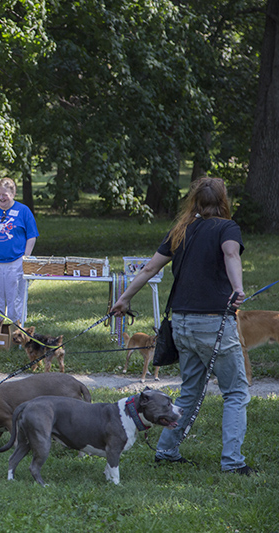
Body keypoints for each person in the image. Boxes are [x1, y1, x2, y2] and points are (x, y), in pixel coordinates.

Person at [109, 177, 254, 475]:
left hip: (182, 324)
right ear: (223, 200)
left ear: (195, 200)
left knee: (190, 390)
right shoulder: (227, 228)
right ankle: (233, 463)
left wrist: (123, 299)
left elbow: (150, 267)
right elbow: (230, 253)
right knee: (236, 392)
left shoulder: (181, 230)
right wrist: (238, 288)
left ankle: (166, 450)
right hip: (214, 322)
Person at [0, 177, 38, 325]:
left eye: (5, 195)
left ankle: (17, 332)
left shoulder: (23, 211)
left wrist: (26, 257)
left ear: (13, 194)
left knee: (16, 299)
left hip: (16, 262)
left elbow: (31, 236)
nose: (1, 198)